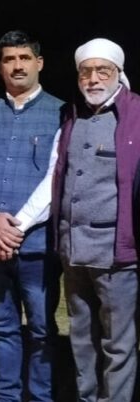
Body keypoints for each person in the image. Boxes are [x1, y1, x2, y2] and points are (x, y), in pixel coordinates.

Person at [0, 30, 63, 402]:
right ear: (0, 66)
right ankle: (6, 395)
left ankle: (40, 396)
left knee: (41, 329)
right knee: (3, 325)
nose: (17, 66)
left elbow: (55, 178)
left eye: (24, 58)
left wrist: (14, 228)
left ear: (39, 63)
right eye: (9, 59)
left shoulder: (61, 112)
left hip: (37, 245)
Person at [52, 38, 140, 402]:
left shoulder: (136, 116)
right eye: (86, 72)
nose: (93, 79)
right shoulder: (72, 115)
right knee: (81, 337)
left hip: (116, 255)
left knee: (118, 343)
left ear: (118, 73)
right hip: (73, 251)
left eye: (102, 71)